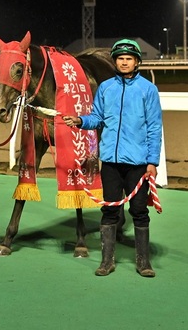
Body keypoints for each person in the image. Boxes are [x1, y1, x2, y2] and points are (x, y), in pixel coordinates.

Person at [62, 39, 162, 278]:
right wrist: (80, 121)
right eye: (120, 59)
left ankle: (143, 262)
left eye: (129, 58)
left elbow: (154, 127)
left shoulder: (148, 89)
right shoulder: (106, 88)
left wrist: (152, 162)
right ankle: (107, 261)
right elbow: (97, 118)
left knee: (139, 211)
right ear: (115, 62)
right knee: (109, 211)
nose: (124, 62)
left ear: (137, 62)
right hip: (110, 163)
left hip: (138, 163)